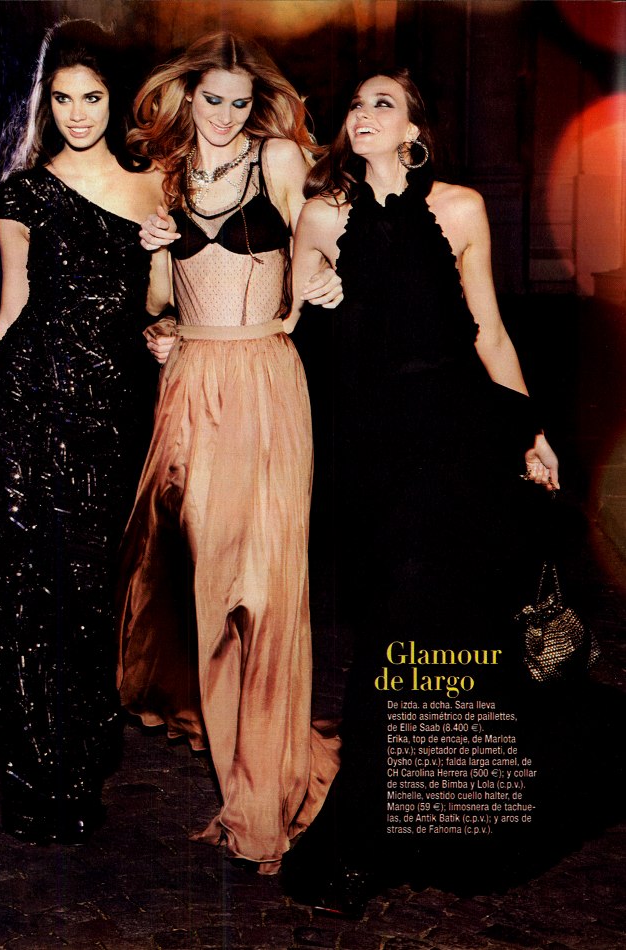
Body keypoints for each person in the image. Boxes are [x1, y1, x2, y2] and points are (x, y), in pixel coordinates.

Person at [279, 69, 560, 913]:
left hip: (460, 437)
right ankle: (378, 829)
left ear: (414, 131)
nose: (363, 114)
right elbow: (289, 319)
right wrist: (312, 296)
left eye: (384, 104)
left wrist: (531, 431)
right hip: (373, 452)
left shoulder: (461, 209)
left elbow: (490, 333)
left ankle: (405, 835)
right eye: (357, 104)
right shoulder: (321, 215)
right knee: (391, 630)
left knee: (439, 628)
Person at [0, 19, 165, 844]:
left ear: (113, 98)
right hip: (28, 403)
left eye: (91, 98)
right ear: (47, 104)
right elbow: (10, 314)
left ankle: (84, 754)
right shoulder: (22, 193)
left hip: (110, 411)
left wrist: (165, 278)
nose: (77, 114)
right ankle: (37, 779)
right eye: (62, 99)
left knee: (90, 588)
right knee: (25, 590)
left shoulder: (155, 187)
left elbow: (162, 306)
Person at [115, 32, 342, 873]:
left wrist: (324, 281)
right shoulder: (166, 174)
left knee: (267, 585)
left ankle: (264, 783)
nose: (225, 115)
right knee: (209, 580)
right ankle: (235, 748)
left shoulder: (277, 159)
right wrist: (156, 298)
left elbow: (325, 238)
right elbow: (159, 302)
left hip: (265, 382)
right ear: (187, 96)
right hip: (190, 385)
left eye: (240, 103)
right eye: (213, 99)